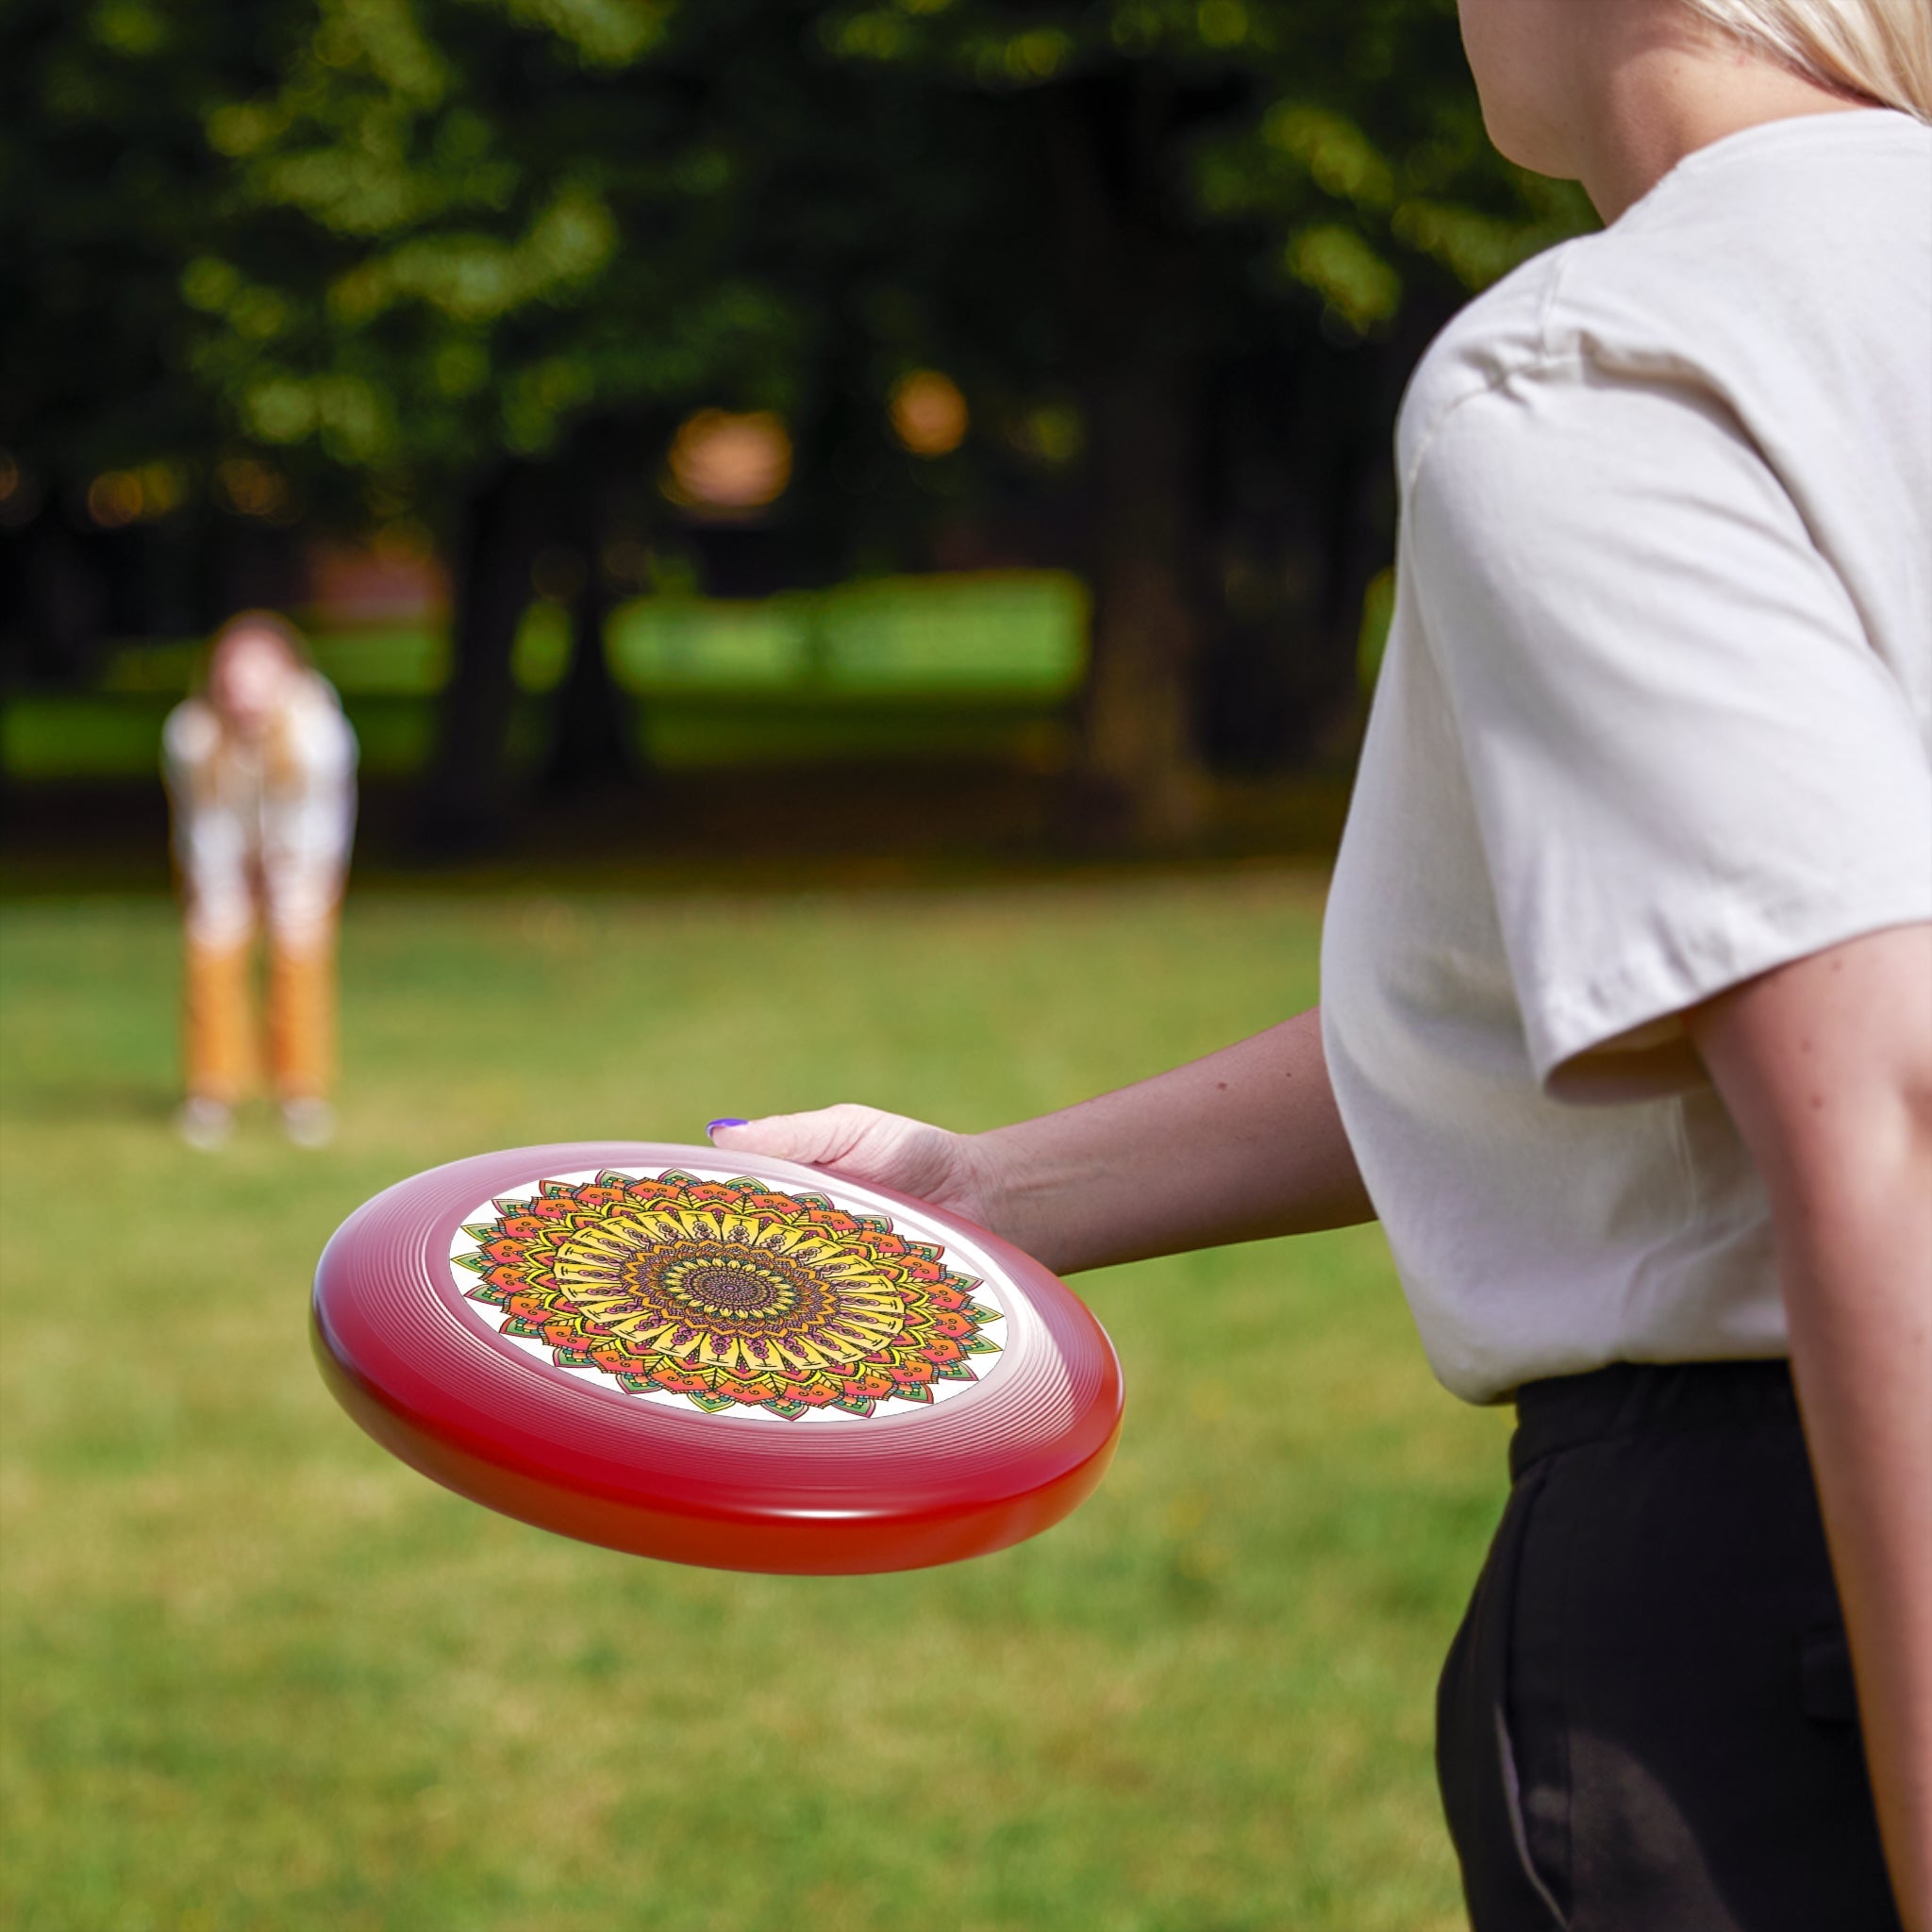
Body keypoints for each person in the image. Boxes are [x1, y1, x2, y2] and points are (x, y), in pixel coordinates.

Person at [705, 2, 1932, 1925]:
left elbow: (1885, 1101)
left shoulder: (1608, 362)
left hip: (1793, 1595)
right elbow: (1621, 991)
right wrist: (987, 1189)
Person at [162, 611, 358, 1150]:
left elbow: (317, 824)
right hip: (221, 856)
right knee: (212, 952)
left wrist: (287, 881)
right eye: (234, 675)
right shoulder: (191, 735)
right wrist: (224, 888)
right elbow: (204, 823)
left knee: (299, 959)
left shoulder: (319, 733)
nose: (244, 690)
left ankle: (301, 1092)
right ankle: (212, 1091)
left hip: (302, 858)